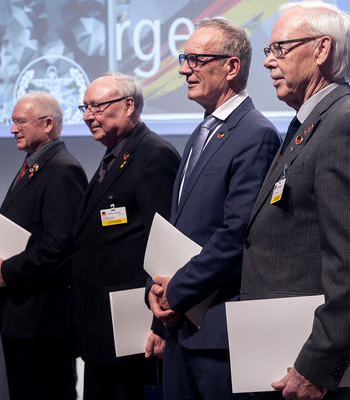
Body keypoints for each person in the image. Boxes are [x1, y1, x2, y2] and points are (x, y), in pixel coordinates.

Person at [240, 2, 350, 399]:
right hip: (280, 358)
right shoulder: (308, 125)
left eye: (279, 49)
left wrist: (317, 365)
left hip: (307, 375)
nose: (268, 62)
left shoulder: (346, 126)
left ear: (322, 49)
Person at [148, 18, 280, 400]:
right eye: (184, 57)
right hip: (180, 327)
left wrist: (178, 291)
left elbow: (238, 233)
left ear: (231, 67)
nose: (184, 68)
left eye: (195, 58)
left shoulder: (256, 134)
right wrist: (155, 290)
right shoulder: (201, 132)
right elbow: (179, 227)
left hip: (217, 333)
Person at [70, 72, 180, 400]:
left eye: (98, 106)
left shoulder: (153, 155)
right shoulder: (114, 155)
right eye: (85, 107)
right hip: (102, 329)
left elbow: (164, 245)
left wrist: (159, 326)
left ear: (129, 105)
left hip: (133, 329)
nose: (89, 116)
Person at [0, 92, 87, 400]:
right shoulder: (34, 165)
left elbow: (60, 243)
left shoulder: (63, 169)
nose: (12, 129)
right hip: (20, 314)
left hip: (43, 320)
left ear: (47, 124)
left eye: (20, 122)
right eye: (12, 122)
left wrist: (7, 270)